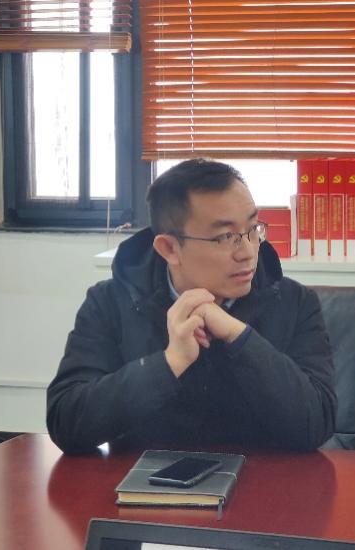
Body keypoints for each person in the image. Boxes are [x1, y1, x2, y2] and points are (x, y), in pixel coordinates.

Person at [46, 159, 336, 454]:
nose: (248, 252)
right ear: (169, 248)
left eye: (253, 229)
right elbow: (66, 422)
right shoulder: (110, 303)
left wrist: (239, 337)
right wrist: (170, 363)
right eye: (225, 237)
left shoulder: (295, 303)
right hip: (146, 479)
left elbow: (316, 422)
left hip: (264, 479)